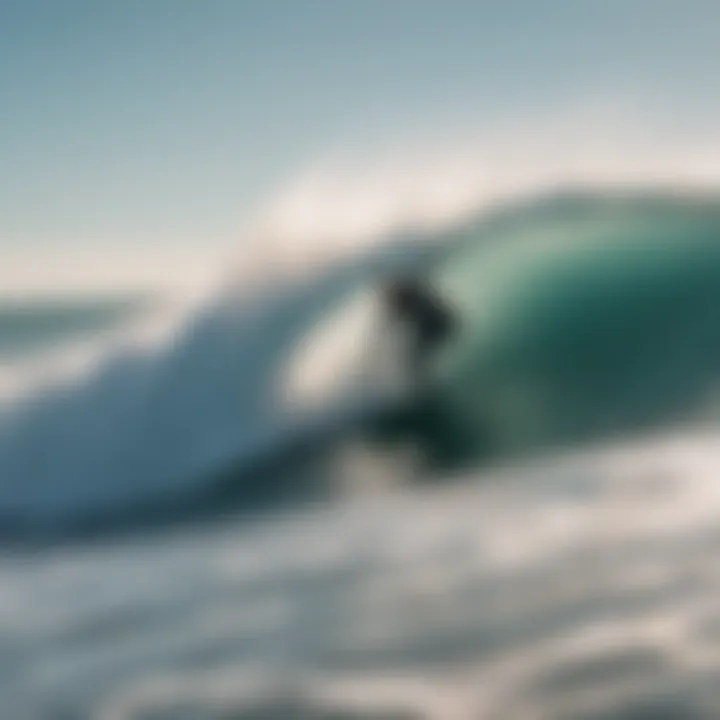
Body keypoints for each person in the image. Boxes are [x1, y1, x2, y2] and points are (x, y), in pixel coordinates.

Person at [381, 274, 457, 385]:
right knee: (411, 358)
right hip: (436, 322)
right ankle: (424, 380)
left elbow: (393, 321)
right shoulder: (406, 294)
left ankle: (424, 381)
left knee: (412, 358)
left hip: (435, 323)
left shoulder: (404, 296)